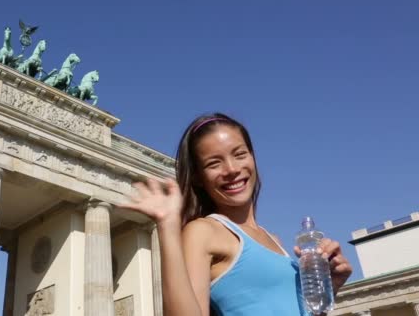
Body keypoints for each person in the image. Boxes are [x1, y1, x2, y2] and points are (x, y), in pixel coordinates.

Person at [120, 113, 352, 316]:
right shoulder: (203, 231)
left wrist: (328, 289)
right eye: (214, 163)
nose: (231, 169)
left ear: (253, 157)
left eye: (239, 154)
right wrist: (168, 224)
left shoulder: (275, 241)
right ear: (198, 178)